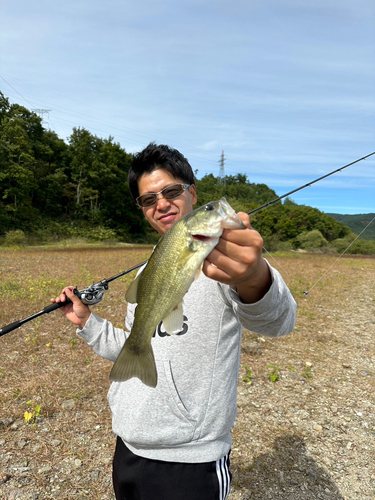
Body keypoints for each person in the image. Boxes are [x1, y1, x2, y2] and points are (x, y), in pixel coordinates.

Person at [53, 143, 297, 500]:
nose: (161, 204)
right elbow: (138, 343)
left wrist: (254, 277)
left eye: (171, 191)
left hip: (190, 461)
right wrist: (87, 322)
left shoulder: (224, 258)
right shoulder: (149, 269)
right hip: (129, 444)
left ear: (192, 192)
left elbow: (280, 321)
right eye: (149, 199)